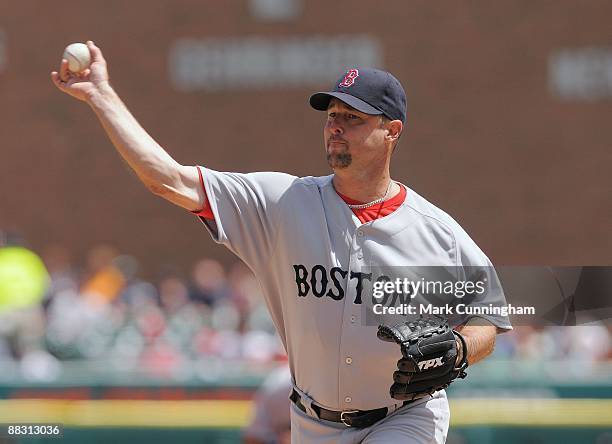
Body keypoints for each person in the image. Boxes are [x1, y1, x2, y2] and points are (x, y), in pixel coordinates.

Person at [52, 42, 511, 443]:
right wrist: (101, 96)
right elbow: (165, 179)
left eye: (352, 118)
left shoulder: (435, 231)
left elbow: (490, 315)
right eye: (332, 116)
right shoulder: (281, 203)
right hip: (312, 422)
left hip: (407, 416)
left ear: (391, 132)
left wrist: (461, 348)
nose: (336, 127)